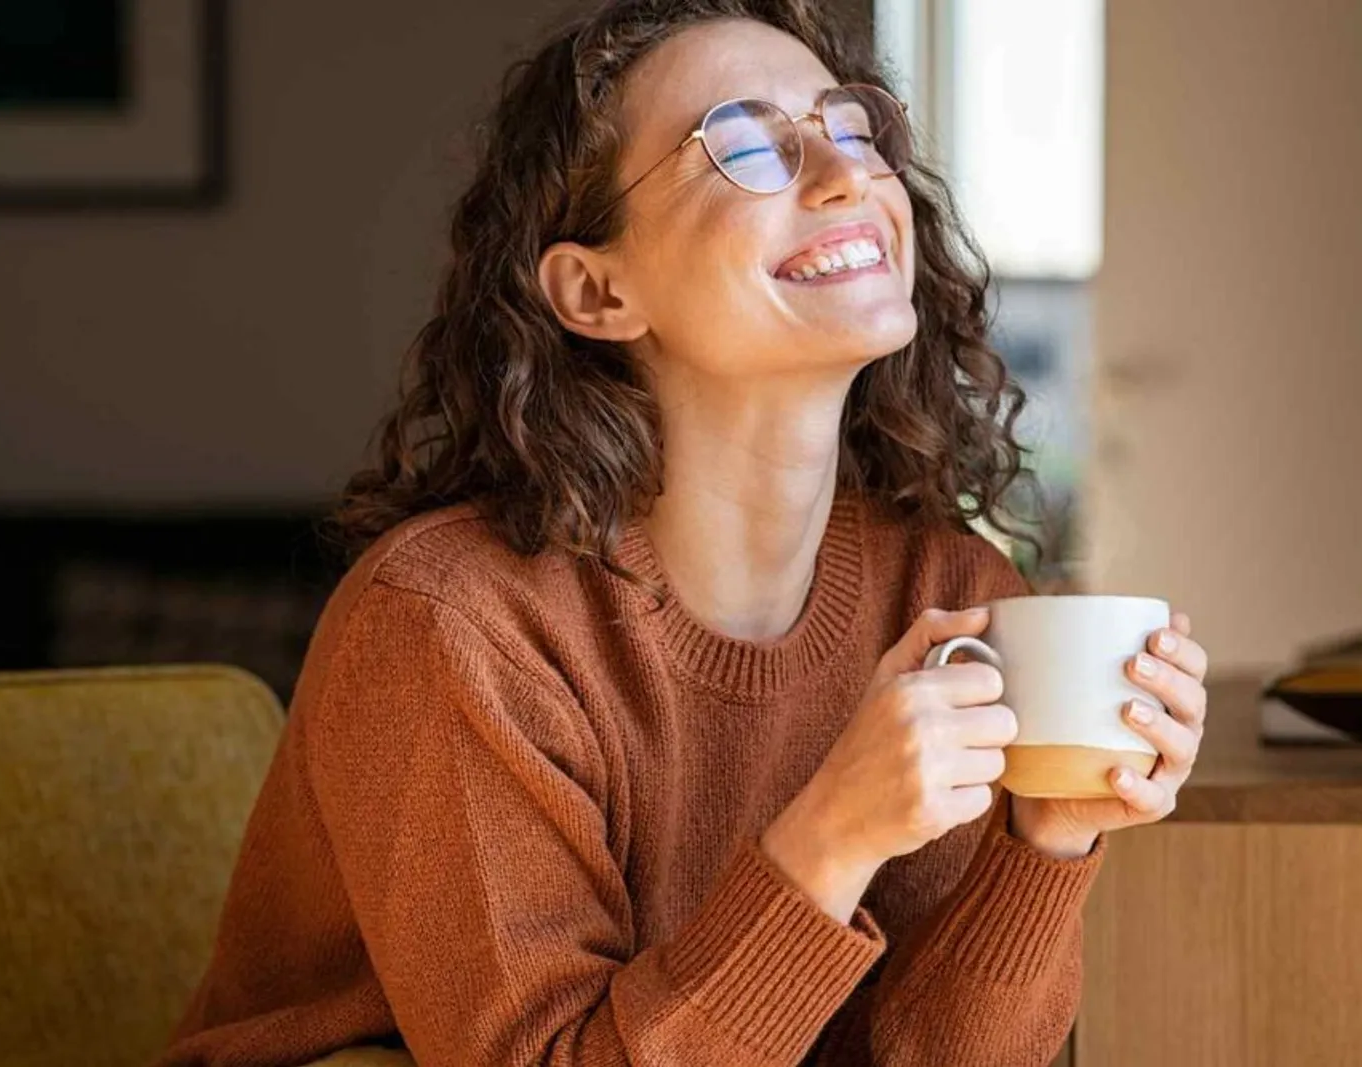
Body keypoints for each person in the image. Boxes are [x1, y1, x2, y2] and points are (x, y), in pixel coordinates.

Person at [158, 1, 1209, 1064]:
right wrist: (828, 837)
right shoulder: (451, 626)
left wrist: (1049, 833)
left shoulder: (948, 590)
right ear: (597, 289)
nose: (846, 175)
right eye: (745, 146)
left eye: (849, 127)